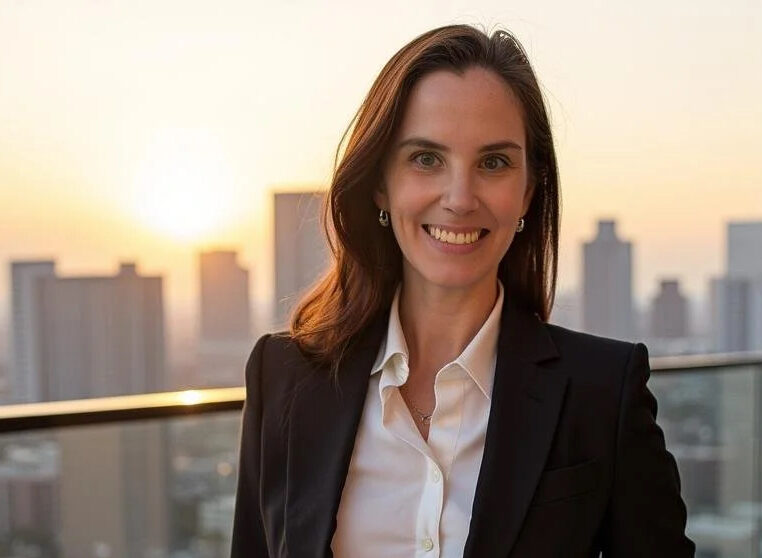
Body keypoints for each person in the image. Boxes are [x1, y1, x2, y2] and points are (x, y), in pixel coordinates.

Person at [231, 24, 695, 558]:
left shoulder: (602, 392)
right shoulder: (284, 377)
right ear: (380, 183)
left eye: (493, 163)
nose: (459, 198)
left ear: (528, 191)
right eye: (426, 158)